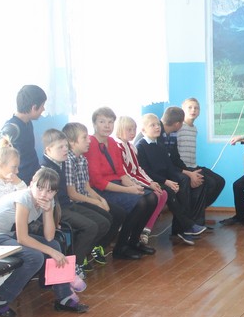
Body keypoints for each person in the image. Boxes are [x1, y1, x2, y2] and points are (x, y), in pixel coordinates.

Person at [0, 167, 89, 316]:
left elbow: (50, 237)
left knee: (55, 245)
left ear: (55, 192)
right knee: (35, 257)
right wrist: (52, 252)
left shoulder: (48, 202)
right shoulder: (24, 198)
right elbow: (22, 238)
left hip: (10, 234)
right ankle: (0, 296)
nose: (44, 194)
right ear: (31, 184)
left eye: (49, 191)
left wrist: (48, 211)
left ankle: (64, 297)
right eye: (40, 188)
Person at [83, 107, 156, 260]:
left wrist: (132, 186)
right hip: (100, 189)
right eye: (102, 122)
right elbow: (98, 181)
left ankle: (134, 241)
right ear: (94, 124)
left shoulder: (111, 142)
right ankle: (121, 247)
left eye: (110, 122)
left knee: (152, 198)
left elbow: (121, 172)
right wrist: (129, 191)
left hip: (116, 184)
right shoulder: (91, 143)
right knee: (140, 203)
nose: (107, 125)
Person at [40, 128, 116, 272]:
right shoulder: (46, 170)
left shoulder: (61, 162)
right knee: (90, 227)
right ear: (48, 150)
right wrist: (54, 218)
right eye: (60, 147)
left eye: (66, 146)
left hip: (67, 205)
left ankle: (81, 253)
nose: (65, 150)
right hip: (58, 210)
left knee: (104, 222)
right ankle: (75, 264)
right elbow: (46, 201)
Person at [136, 113, 207, 245]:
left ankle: (182, 230)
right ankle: (188, 226)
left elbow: (169, 167)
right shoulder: (141, 146)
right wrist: (166, 182)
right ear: (143, 130)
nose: (157, 127)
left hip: (164, 179)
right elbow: (146, 172)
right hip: (152, 181)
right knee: (170, 192)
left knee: (183, 184)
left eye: (158, 124)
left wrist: (176, 180)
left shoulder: (160, 145)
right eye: (152, 125)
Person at [62, 122, 120, 263]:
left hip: (84, 198)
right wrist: (96, 202)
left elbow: (87, 188)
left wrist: (101, 200)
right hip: (75, 202)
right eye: (84, 138)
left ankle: (94, 247)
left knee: (117, 214)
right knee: (101, 221)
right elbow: (72, 194)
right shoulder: (68, 161)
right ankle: (80, 256)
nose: (89, 140)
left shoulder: (82, 159)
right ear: (72, 142)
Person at [114, 116, 166, 248]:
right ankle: (128, 239)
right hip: (124, 184)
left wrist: (150, 182)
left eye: (134, 129)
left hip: (135, 181)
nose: (133, 132)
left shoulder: (131, 147)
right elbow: (125, 174)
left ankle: (137, 237)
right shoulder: (118, 147)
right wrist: (147, 184)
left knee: (156, 195)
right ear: (120, 129)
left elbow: (138, 169)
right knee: (147, 199)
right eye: (129, 129)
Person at [159, 106, 213, 225]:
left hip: (170, 169)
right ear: (178, 124)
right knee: (184, 180)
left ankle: (194, 221)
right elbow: (164, 164)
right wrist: (188, 173)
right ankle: (183, 226)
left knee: (199, 178)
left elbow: (175, 158)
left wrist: (190, 172)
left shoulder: (172, 134)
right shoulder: (157, 135)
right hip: (159, 173)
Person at [0, 84, 47, 183]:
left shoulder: (28, 122)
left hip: (32, 178)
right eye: (42, 106)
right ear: (34, 107)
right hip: (20, 181)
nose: (43, 109)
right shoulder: (12, 128)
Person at [177, 97, 226, 211]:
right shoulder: (179, 127)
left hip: (193, 166)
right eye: (190, 107)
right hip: (184, 168)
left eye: (196, 108)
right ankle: (195, 212)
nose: (193, 110)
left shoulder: (194, 128)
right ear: (182, 109)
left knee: (219, 181)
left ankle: (197, 210)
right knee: (210, 183)